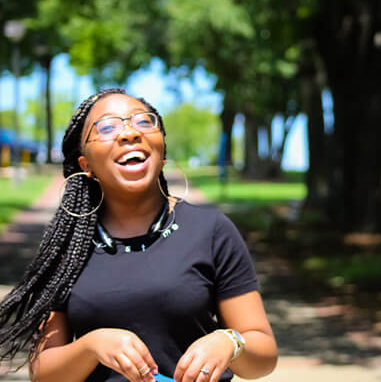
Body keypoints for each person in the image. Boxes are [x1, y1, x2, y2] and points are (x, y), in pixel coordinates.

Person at [0, 88, 277, 382]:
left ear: (161, 152)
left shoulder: (211, 230)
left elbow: (264, 355)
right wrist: (91, 346)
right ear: (86, 165)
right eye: (107, 127)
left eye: (144, 122)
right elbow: (43, 373)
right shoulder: (69, 243)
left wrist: (229, 343)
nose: (129, 132)